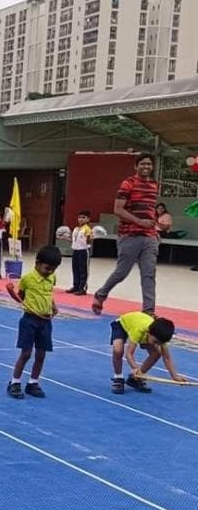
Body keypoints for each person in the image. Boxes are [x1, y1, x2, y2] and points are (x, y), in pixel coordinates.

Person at [92, 154, 159, 316]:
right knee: (122, 272)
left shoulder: (154, 185)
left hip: (149, 236)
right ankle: (101, 294)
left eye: (149, 164)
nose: (146, 167)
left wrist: (156, 225)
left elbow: (149, 210)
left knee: (149, 274)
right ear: (136, 166)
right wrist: (139, 221)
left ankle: (149, 311)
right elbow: (118, 209)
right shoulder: (128, 184)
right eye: (142, 164)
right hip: (130, 235)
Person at [5, 245, 62, 399]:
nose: (50, 272)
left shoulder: (51, 277)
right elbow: (21, 299)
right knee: (26, 353)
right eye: (47, 268)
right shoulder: (27, 279)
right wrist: (11, 292)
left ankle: (33, 382)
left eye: (53, 269)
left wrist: (53, 307)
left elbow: (48, 294)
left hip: (45, 321)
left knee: (41, 354)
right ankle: (15, 382)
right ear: (37, 263)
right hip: (29, 320)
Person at [109, 312, 185, 394]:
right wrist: (135, 368)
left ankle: (134, 379)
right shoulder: (139, 330)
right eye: (156, 342)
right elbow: (129, 354)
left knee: (156, 353)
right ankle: (118, 377)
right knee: (118, 350)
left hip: (143, 332)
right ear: (149, 333)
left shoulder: (161, 337)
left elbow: (167, 358)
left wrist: (175, 376)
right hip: (121, 325)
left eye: (160, 343)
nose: (157, 345)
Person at [64, 210, 93, 295]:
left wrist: (90, 238)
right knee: (75, 269)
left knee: (83, 270)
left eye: (83, 217)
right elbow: (74, 241)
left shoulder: (87, 229)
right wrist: (65, 238)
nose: (81, 219)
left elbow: (89, 241)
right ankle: (76, 286)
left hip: (83, 251)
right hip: (75, 251)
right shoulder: (76, 229)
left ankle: (82, 288)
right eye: (79, 217)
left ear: (88, 219)